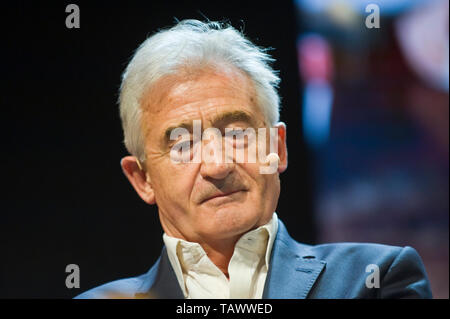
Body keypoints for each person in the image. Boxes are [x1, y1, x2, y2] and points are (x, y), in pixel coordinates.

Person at [76, 19, 432, 299]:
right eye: (183, 145)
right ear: (142, 179)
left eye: (237, 134)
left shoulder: (376, 279)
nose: (218, 166)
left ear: (277, 147)